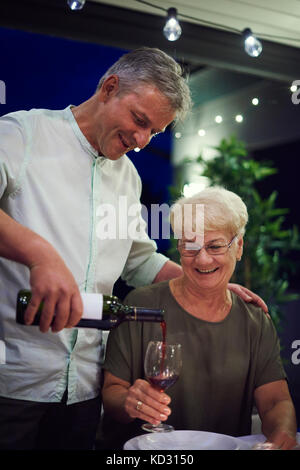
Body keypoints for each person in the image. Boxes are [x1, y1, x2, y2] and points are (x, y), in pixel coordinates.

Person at [0, 47, 265, 450]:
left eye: (153, 133)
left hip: (84, 393)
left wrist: (208, 284)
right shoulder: (22, 134)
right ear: (109, 88)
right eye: (139, 121)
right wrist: (40, 253)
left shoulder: (128, 178)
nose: (141, 141)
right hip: (12, 383)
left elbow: (139, 260)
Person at [102, 186, 297, 450]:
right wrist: (130, 400)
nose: (202, 259)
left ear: (238, 247)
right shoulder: (140, 304)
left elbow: (275, 401)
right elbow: (112, 391)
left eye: (215, 246)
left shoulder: (255, 320)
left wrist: (282, 434)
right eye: (190, 247)